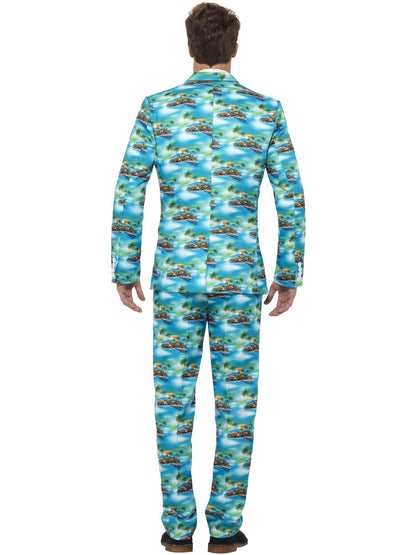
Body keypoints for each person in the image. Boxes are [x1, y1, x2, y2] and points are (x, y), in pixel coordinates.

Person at [110, 2, 306, 552]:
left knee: (172, 405)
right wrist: (289, 271)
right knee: (237, 406)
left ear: (189, 47)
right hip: (240, 280)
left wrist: (125, 267)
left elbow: (129, 191)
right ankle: (224, 529)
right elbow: (291, 199)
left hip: (175, 281)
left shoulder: (157, 109)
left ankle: (177, 530)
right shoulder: (265, 111)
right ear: (235, 49)